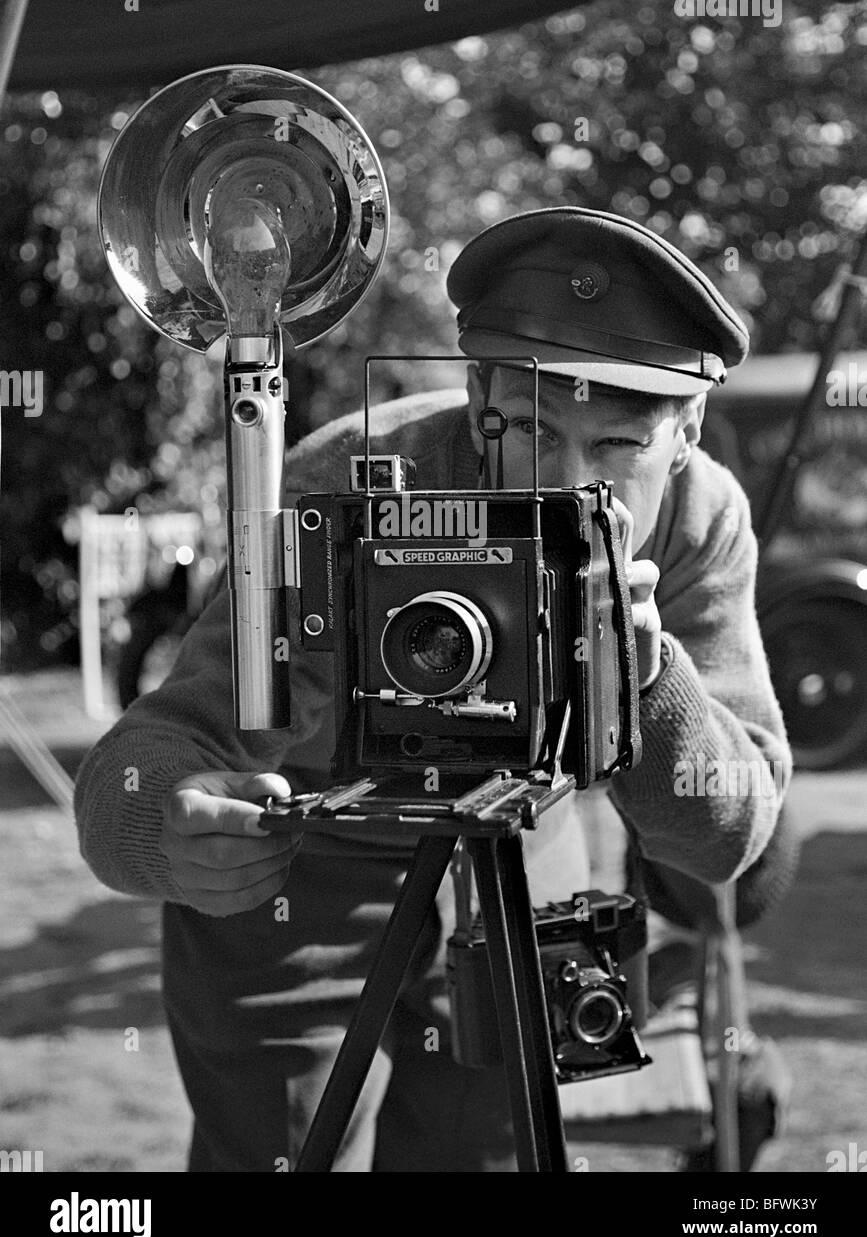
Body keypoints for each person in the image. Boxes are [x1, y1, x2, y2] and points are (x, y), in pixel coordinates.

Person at [74, 207, 793, 1172]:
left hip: (517, 853)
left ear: (686, 430)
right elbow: (160, 748)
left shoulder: (701, 521)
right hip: (305, 860)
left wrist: (649, 678)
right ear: (481, 393)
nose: (564, 486)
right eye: (531, 428)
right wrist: (162, 823)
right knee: (274, 1154)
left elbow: (725, 835)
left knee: (486, 1152)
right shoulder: (346, 484)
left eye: (618, 445)